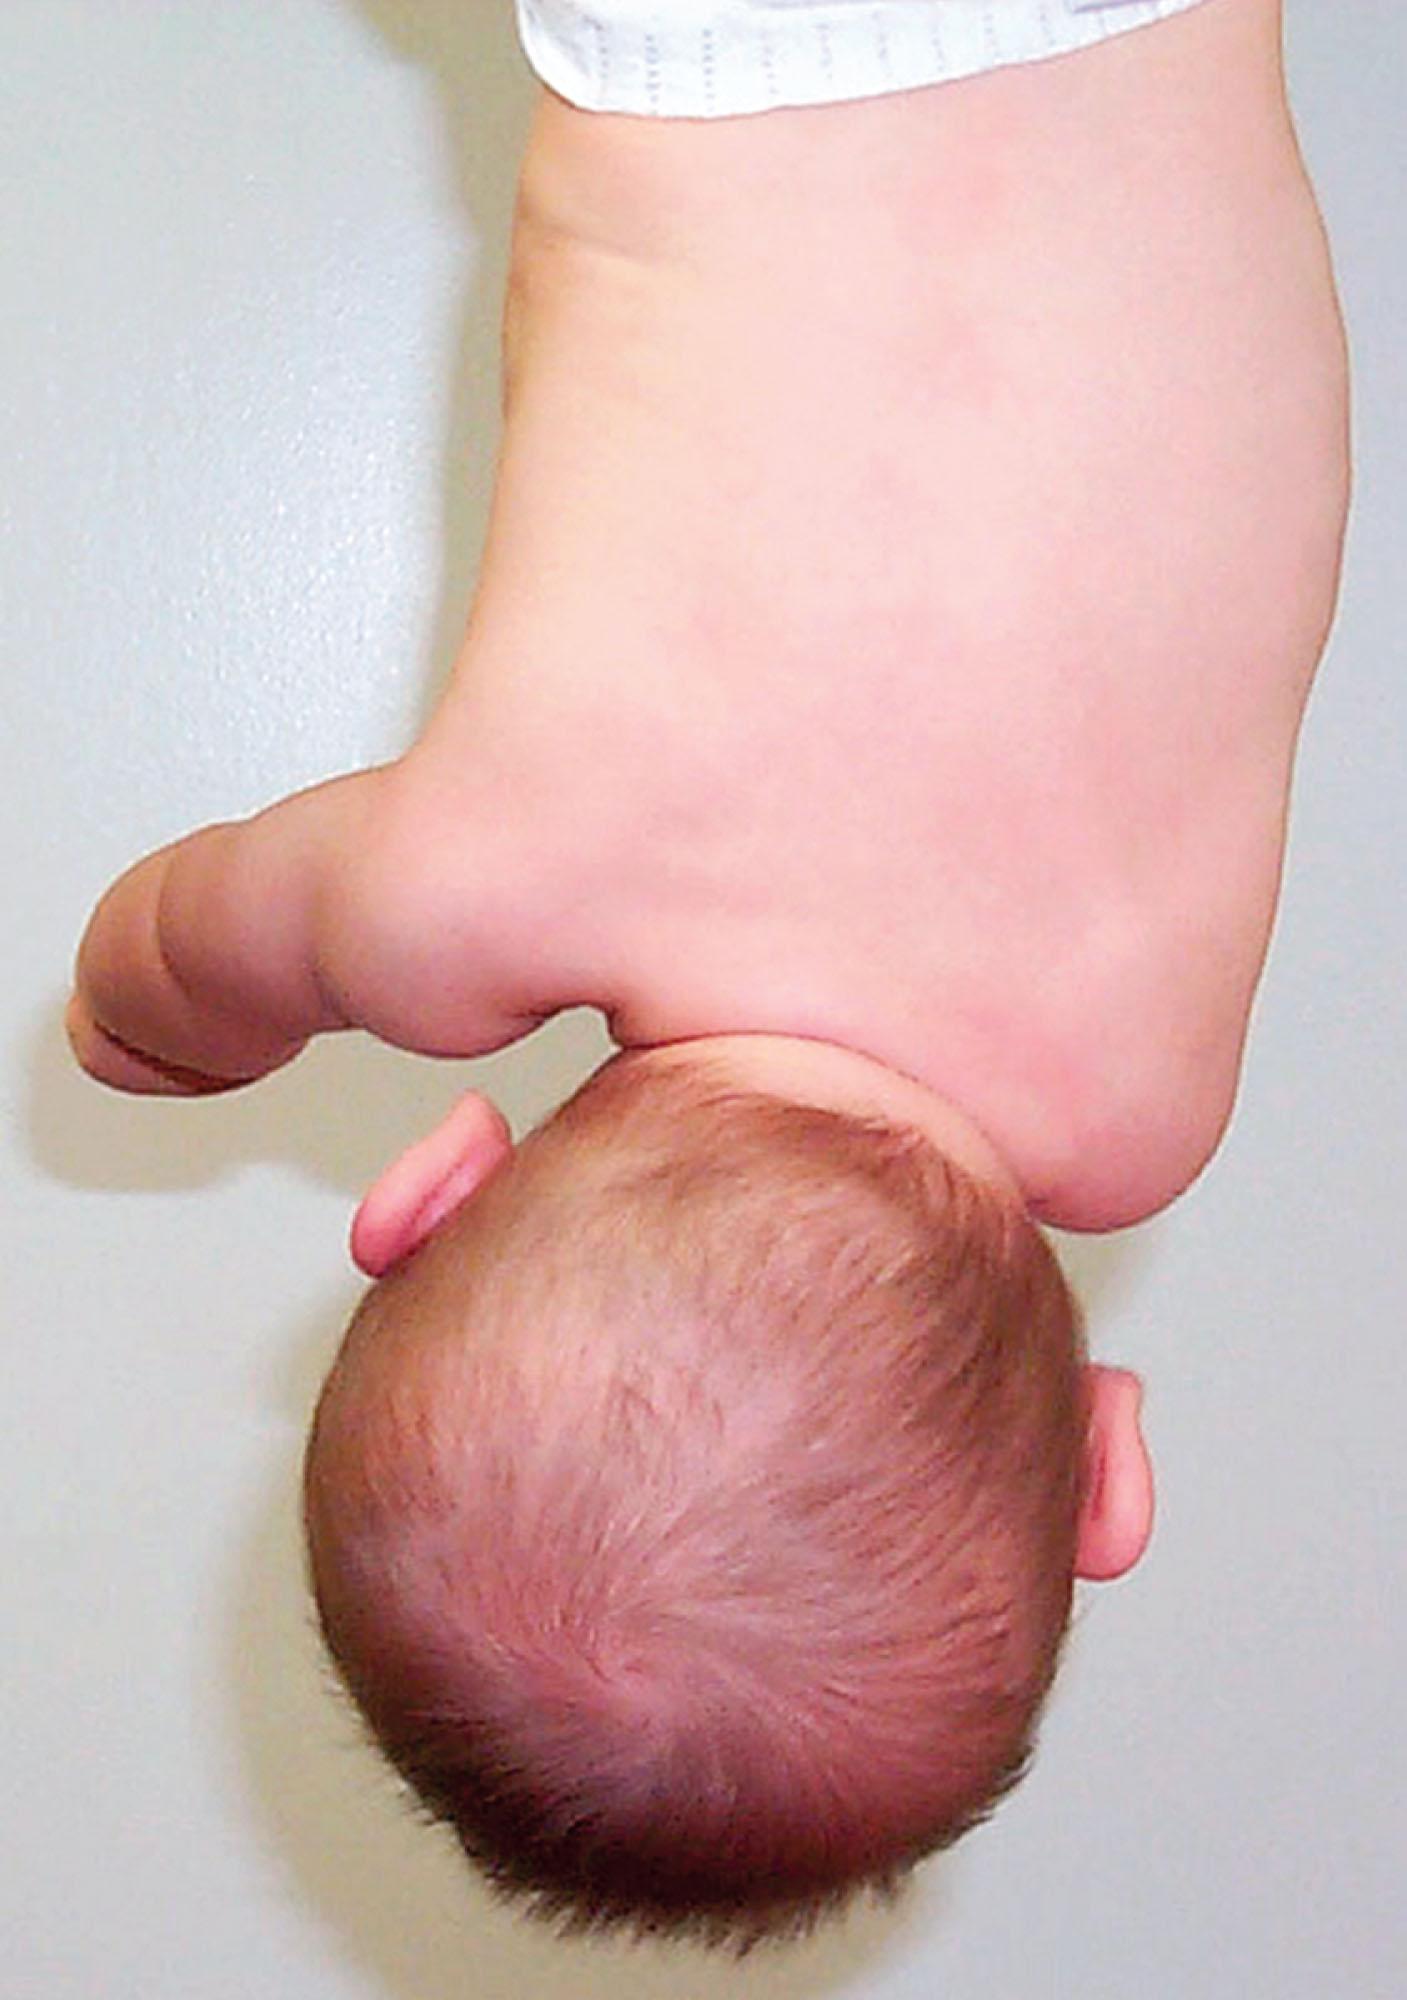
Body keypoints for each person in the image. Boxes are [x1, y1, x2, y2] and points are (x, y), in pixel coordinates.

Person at [67, 0, 1349, 1953]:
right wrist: (151, 1015)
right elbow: (191, 934)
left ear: (1103, 1471)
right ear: (429, 1190)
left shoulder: (1136, 1094)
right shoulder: (461, 896)